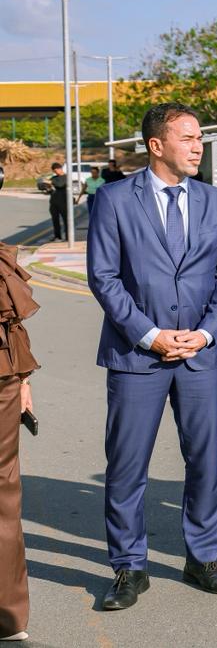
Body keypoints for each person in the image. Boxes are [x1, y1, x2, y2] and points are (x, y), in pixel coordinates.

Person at [86, 103, 217, 611]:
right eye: (189, 138)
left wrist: (207, 334)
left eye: (200, 138)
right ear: (157, 145)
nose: (199, 147)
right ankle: (129, 567)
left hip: (200, 357)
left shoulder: (216, 201)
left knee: (205, 462)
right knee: (127, 466)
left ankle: (203, 558)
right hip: (137, 357)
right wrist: (148, 334)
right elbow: (104, 278)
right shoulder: (112, 200)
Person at [0, 242, 39, 642]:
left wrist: (23, 380)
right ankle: (8, 620)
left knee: (3, 496)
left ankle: (9, 619)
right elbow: (11, 318)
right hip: (5, 375)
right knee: (3, 495)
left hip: (5, 379)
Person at [47, 162, 68, 242]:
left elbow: (60, 184)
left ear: (60, 169)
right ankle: (57, 236)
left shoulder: (66, 177)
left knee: (66, 220)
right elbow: (48, 186)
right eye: (54, 171)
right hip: (54, 202)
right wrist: (47, 187)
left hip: (63, 202)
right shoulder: (54, 178)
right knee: (55, 220)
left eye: (56, 171)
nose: (56, 172)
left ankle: (68, 237)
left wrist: (51, 182)